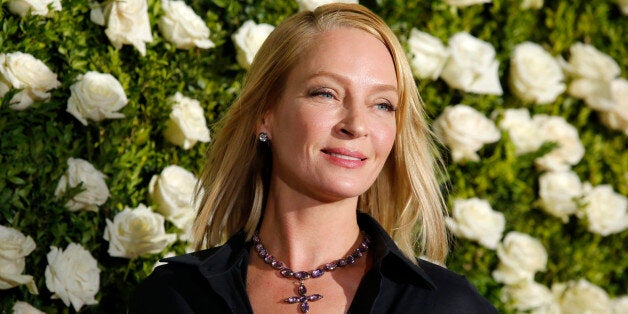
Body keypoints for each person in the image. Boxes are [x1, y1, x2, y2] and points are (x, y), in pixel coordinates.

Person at [131, 3, 497, 313]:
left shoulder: (446, 304)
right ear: (265, 113)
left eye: (382, 104)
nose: (357, 125)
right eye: (326, 94)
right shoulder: (176, 296)